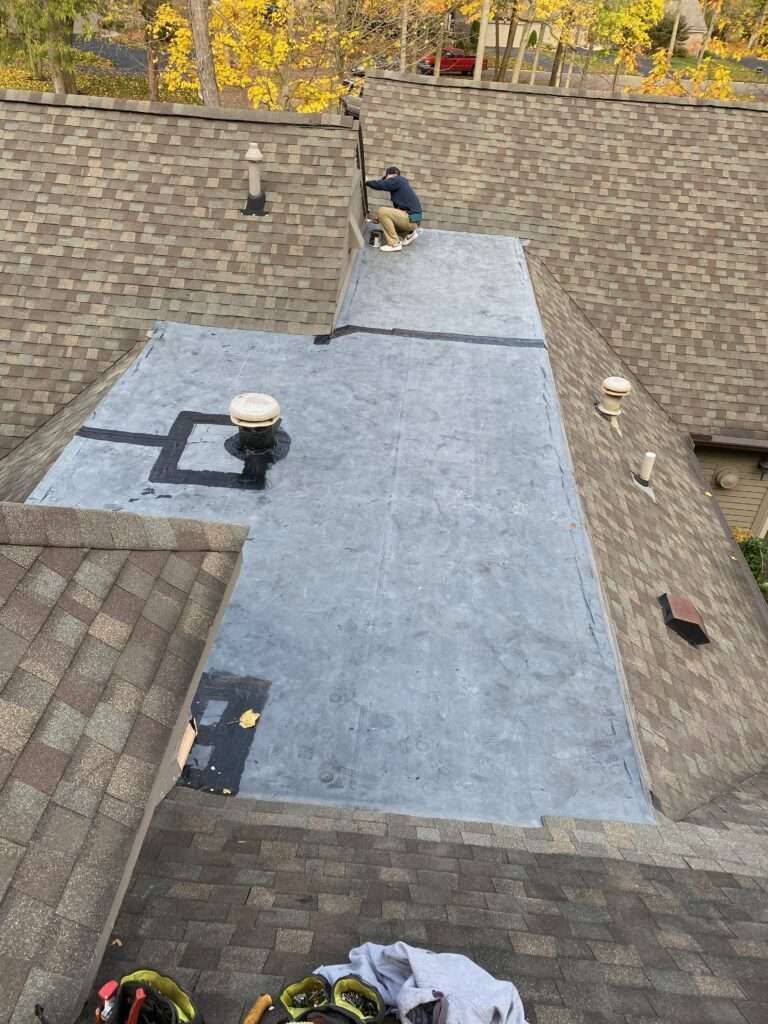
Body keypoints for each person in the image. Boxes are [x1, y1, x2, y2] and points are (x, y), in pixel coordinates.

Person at [365, 167, 423, 252]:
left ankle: (394, 244)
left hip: (410, 219)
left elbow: (382, 184)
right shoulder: (401, 186)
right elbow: (398, 213)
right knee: (384, 216)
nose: (386, 181)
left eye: (387, 179)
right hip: (414, 220)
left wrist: (367, 182)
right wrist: (381, 218)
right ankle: (409, 234)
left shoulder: (398, 179)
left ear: (390, 175)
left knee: (382, 211)